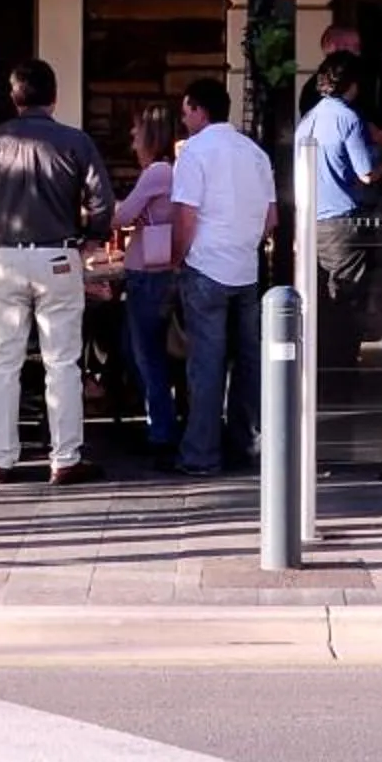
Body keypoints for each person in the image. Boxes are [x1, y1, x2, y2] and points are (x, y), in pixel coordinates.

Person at [0, 58, 114, 487]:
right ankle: (64, 457)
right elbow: (103, 201)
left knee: (1, 361)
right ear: (54, 97)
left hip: (4, 255)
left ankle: (0, 457)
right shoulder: (75, 143)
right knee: (62, 361)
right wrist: (91, 240)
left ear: (14, 97)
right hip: (58, 256)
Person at [170, 75, 279, 479]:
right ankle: (245, 445)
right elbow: (272, 219)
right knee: (249, 362)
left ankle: (200, 454)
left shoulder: (194, 153)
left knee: (207, 364)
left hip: (205, 266)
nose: (184, 120)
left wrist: (176, 260)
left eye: (185, 111)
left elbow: (185, 217)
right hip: (246, 269)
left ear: (198, 109)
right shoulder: (255, 153)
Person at [293, 57, 380, 355]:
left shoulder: (307, 121)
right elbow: (366, 173)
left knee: (320, 302)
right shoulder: (348, 118)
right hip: (341, 225)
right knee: (346, 303)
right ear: (352, 84)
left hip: (309, 224)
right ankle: (343, 374)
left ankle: (322, 373)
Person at [110, 102, 179, 464]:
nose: (132, 138)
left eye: (137, 130)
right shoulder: (174, 170)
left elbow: (121, 215)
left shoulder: (157, 172)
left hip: (147, 273)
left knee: (145, 355)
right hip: (161, 269)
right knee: (143, 351)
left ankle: (161, 429)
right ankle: (162, 422)